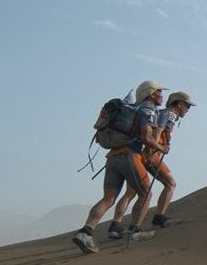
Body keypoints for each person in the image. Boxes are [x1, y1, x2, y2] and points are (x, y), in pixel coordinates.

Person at [71, 80, 171, 254]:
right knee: (145, 192)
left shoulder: (134, 108)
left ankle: (86, 231)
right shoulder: (148, 109)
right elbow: (147, 137)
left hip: (112, 157)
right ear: (151, 93)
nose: (162, 96)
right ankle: (135, 231)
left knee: (108, 199)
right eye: (160, 92)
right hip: (129, 155)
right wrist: (161, 148)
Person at [108, 90, 196, 238]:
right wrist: (154, 151)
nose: (188, 110)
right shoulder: (170, 114)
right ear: (179, 104)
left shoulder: (161, 112)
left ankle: (115, 224)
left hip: (139, 153)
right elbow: (157, 132)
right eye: (187, 106)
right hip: (150, 154)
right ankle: (158, 218)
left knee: (131, 192)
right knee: (170, 183)